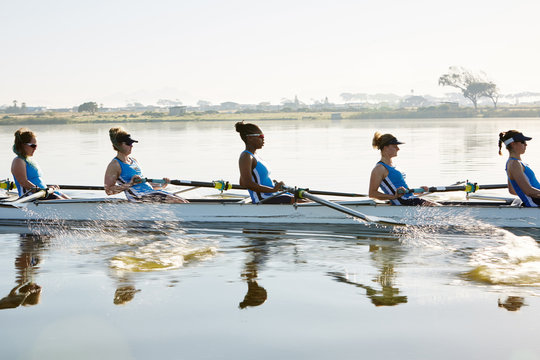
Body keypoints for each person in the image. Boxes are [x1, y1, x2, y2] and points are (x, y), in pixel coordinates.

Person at [104, 127, 188, 203]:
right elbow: (109, 191)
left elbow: (143, 184)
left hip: (148, 193)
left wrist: (162, 185)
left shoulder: (133, 160)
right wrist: (130, 183)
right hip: (137, 197)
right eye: (128, 143)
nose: (132, 146)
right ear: (119, 145)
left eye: (132, 143)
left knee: (184, 201)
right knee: (179, 202)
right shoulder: (114, 165)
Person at [235, 121, 298, 204]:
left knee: (303, 198)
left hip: (272, 194)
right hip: (263, 198)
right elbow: (247, 183)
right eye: (260, 136)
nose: (263, 138)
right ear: (249, 138)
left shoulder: (255, 156)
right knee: (301, 201)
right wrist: (272, 189)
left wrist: (274, 184)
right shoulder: (246, 157)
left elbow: (242, 182)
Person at [369, 132, 437, 206]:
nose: (398, 149)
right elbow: (372, 193)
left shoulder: (394, 166)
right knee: (437, 206)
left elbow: (402, 190)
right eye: (395, 146)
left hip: (409, 199)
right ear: (385, 147)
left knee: (447, 204)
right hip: (403, 202)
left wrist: (419, 191)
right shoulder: (379, 169)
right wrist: (393, 197)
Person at [10, 128, 69, 200]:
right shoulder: (18, 161)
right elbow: (24, 183)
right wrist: (41, 190)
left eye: (36, 145)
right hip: (32, 197)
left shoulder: (29, 161)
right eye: (33, 146)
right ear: (22, 145)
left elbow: (36, 181)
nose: (35, 148)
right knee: (60, 200)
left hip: (42, 193)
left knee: (69, 200)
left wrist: (48, 188)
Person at [499, 130, 540, 207]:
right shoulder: (515, 164)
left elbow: (512, 190)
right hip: (536, 202)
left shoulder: (513, 163)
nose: (526, 144)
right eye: (523, 142)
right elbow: (529, 192)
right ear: (513, 144)